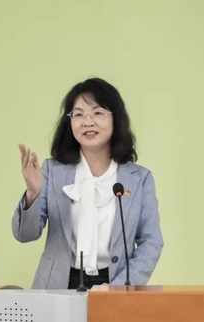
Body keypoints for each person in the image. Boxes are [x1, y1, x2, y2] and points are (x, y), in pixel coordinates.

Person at [11, 78, 164, 290]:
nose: (87, 121)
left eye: (98, 113)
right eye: (79, 114)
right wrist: (33, 193)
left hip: (113, 285)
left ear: (115, 119)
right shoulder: (52, 171)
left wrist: (118, 288)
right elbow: (25, 235)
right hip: (57, 287)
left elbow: (151, 242)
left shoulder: (139, 179)